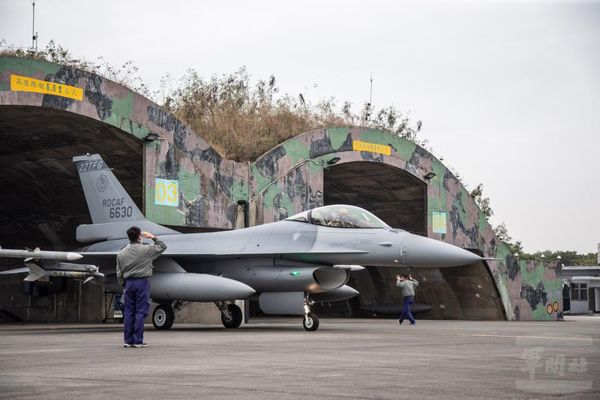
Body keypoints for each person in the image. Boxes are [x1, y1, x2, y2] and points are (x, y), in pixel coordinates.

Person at [116, 227, 167, 348]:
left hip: (128, 284)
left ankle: (128, 341)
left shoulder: (121, 253)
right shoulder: (146, 250)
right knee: (140, 312)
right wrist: (152, 236)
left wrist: (124, 285)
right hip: (142, 283)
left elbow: (119, 273)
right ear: (139, 236)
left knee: (128, 312)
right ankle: (138, 340)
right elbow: (163, 246)